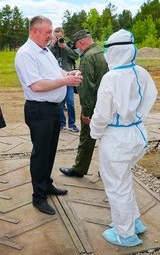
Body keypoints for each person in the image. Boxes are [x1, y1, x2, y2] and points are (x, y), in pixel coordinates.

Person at [90, 29, 157, 247]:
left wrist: (94, 132)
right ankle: (133, 220)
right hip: (137, 134)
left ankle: (124, 234)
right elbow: (151, 97)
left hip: (117, 139)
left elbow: (101, 114)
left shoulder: (111, 77)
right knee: (124, 180)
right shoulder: (142, 72)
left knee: (116, 186)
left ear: (113, 51)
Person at [15, 15, 82, 215]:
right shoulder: (26, 53)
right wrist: (65, 83)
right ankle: (39, 197)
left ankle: (47, 184)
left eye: (51, 32)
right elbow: (36, 85)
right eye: (47, 32)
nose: (50, 36)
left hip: (52, 109)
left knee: (50, 151)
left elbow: (56, 71)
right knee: (40, 154)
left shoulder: (44, 51)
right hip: (39, 110)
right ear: (34, 31)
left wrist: (68, 75)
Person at [59, 29, 108, 178]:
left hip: (93, 105)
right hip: (107, 104)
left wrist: (86, 112)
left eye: (77, 46)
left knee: (87, 138)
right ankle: (107, 170)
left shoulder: (88, 57)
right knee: (107, 138)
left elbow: (86, 88)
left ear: (81, 42)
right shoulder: (103, 53)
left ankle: (79, 168)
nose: (78, 50)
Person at [49, 27, 79, 132]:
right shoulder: (51, 47)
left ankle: (72, 124)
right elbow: (46, 56)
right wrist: (53, 45)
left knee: (70, 102)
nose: (58, 40)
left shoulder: (69, 45)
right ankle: (61, 123)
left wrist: (65, 47)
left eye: (60, 37)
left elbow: (76, 56)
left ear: (63, 35)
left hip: (69, 77)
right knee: (60, 103)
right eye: (56, 37)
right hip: (57, 78)